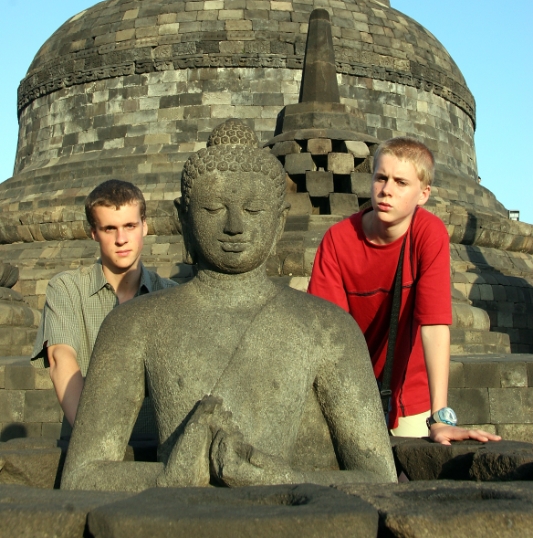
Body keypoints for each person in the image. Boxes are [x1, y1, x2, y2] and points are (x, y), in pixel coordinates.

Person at [61, 121, 396, 491]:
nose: (234, 226)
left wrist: (287, 479)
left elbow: (379, 477)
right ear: (184, 218)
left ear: (279, 221)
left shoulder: (329, 328)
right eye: (213, 208)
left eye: (253, 210)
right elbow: (81, 476)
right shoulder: (134, 324)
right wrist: (171, 476)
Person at [308, 137, 501, 446]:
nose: (386, 190)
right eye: (381, 178)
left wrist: (439, 417)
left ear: (423, 194)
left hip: (411, 393)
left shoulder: (429, 233)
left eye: (401, 182)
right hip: (352, 386)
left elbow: (435, 325)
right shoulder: (339, 241)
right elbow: (325, 332)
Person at [31, 179, 176, 435]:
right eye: (110, 228)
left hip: (157, 447)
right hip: (88, 442)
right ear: (94, 233)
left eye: (130, 226)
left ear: (145, 226)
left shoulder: (171, 295)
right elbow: (60, 358)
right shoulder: (67, 289)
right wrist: (94, 439)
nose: (121, 239)